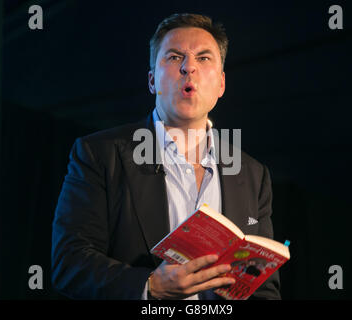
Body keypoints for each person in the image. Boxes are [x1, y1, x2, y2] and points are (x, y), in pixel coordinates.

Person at [51, 13, 281, 300]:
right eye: (174, 57)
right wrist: (150, 286)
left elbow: (266, 289)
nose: (189, 68)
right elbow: (69, 264)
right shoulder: (99, 154)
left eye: (204, 58)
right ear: (151, 80)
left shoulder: (253, 175)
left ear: (221, 84)